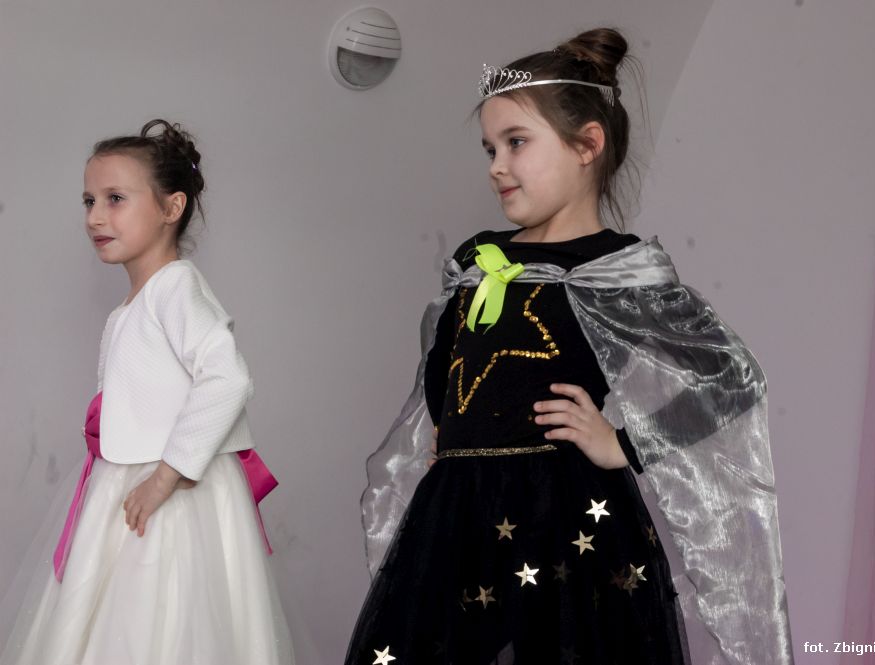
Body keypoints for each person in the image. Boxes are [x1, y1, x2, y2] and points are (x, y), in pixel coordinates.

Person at [346, 28, 794, 665]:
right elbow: (442, 367)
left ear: (588, 144)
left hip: (568, 523)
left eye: (517, 142)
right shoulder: (478, 259)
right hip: (458, 518)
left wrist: (625, 444)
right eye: (490, 148)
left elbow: (732, 379)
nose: (496, 166)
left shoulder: (617, 270)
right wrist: (450, 437)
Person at [0, 119, 294, 665]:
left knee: (162, 621)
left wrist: (165, 477)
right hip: (127, 479)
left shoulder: (175, 287)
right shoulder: (133, 305)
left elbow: (227, 377)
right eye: (89, 200)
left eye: (115, 199)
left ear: (171, 207)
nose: (94, 217)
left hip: (172, 493)